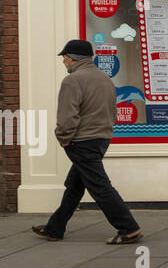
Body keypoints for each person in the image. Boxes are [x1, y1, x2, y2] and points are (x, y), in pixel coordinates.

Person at [32, 40, 142, 245]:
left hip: (81, 141)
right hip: (102, 138)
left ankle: (128, 228)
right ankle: (54, 228)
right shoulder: (104, 78)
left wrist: (64, 138)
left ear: (73, 58)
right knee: (74, 185)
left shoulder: (73, 80)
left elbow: (68, 116)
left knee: (100, 187)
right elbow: (113, 111)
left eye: (64, 57)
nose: (64, 61)